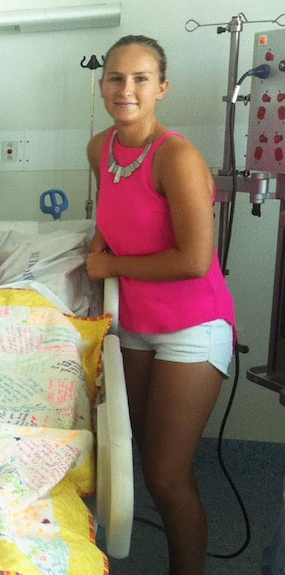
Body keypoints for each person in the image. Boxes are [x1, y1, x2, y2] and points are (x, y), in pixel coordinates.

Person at [85, 35, 235, 575]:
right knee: (145, 459)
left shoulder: (177, 156)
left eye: (140, 79)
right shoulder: (99, 148)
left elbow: (195, 259)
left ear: (161, 88)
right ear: (102, 84)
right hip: (137, 324)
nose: (126, 89)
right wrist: (100, 247)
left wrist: (110, 266)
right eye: (116, 78)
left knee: (169, 476)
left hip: (193, 325)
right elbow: (116, 221)